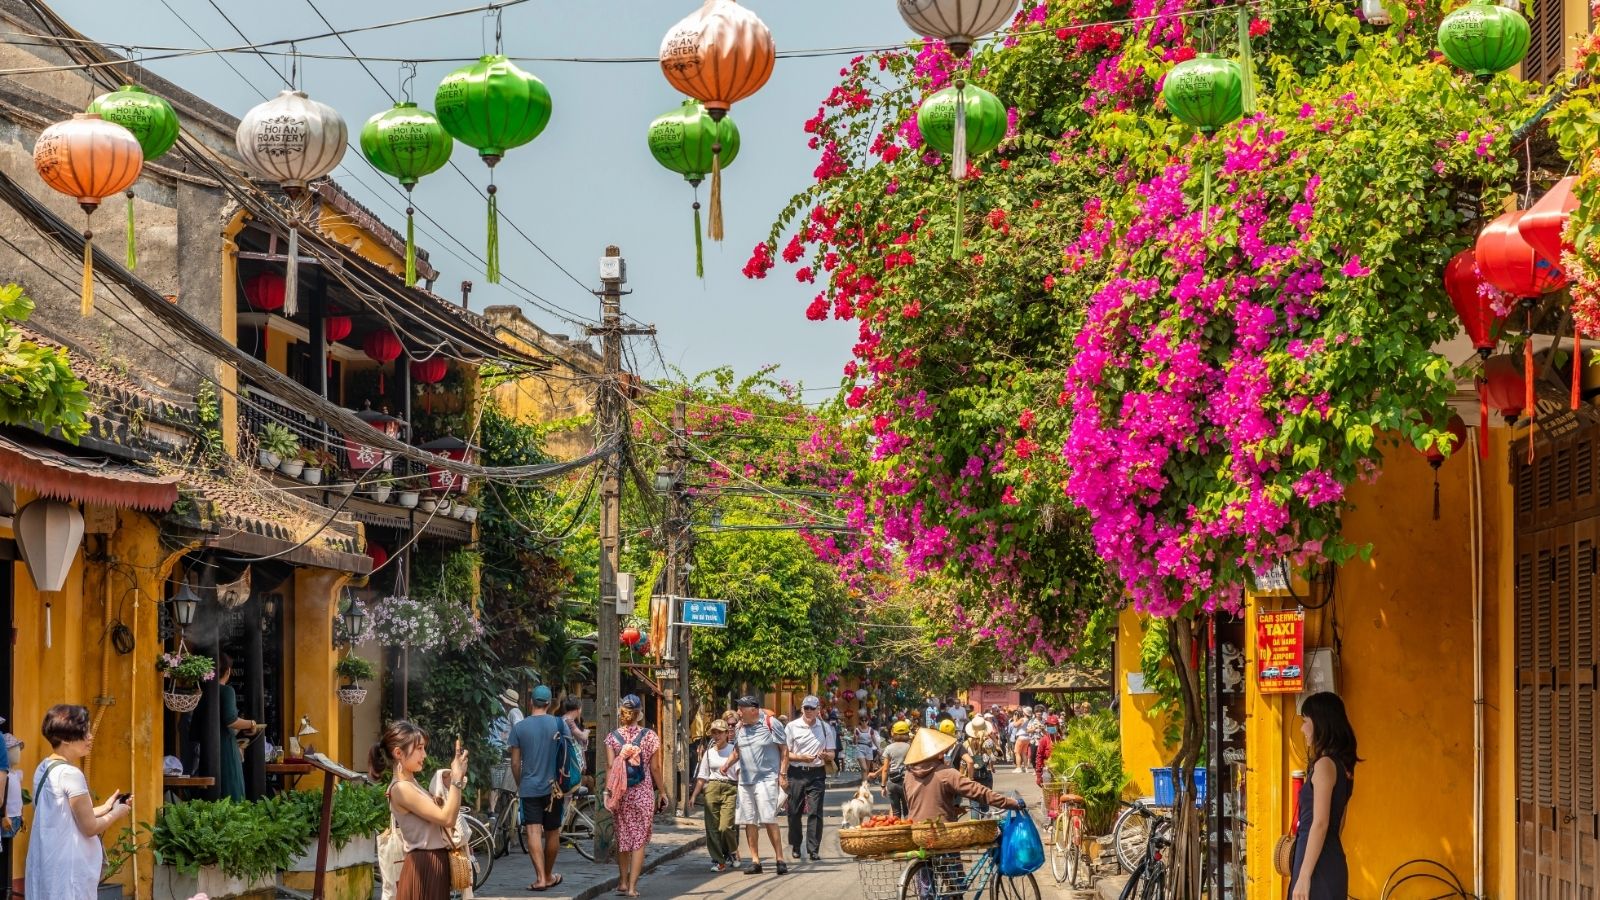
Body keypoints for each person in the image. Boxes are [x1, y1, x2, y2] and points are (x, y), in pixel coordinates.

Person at [24, 705, 132, 900]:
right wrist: (117, 813)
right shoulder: (71, 774)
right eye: (85, 732)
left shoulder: (44, 767)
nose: (90, 737)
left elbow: (66, 815)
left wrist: (107, 807)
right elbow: (89, 827)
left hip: (49, 861)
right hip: (69, 870)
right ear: (66, 739)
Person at [370, 720, 469, 900]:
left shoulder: (411, 784)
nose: (424, 754)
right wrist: (456, 779)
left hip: (432, 864)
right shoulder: (401, 789)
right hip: (424, 867)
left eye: (423, 748)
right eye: (419, 748)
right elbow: (447, 818)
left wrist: (451, 781)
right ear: (398, 753)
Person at [1289, 692, 1359, 900]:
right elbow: (1340, 823)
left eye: (1305, 721)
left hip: (1317, 863)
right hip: (1326, 857)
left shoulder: (1324, 765)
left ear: (1321, 724)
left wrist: (1303, 876)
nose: (1302, 728)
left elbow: (1320, 823)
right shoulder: (1342, 766)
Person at [509, 685, 571, 892]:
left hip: (529, 787)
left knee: (533, 832)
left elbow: (515, 763)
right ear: (548, 704)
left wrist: (521, 783)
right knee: (553, 832)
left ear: (530, 702)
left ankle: (540, 879)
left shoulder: (519, 728)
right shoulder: (559, 724)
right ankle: (548, 874)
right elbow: (568, 752)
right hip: (555, 788)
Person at [604, 694, 667, 897]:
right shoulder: (650, 736)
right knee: (638, 840)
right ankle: (632, 887)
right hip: (642, 793)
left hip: (620, 794)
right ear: (639, 714)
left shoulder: (612, 737)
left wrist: (607, 792)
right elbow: (655, 768)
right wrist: (663, 792)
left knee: (622, 836)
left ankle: (622, 882)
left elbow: (609, 767)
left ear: (622, 712)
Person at [720, 695, 788, 875]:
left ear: (753, 710)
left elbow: (784, 750)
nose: (739, 713)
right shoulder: (740, 727)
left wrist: (782, 774)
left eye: (742, 709)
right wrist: (727, 764)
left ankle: (780, 859)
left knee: (768, 819)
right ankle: (755, 861)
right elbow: (737, 751)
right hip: (746, 781)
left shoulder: (771, 724)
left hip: (766, 779)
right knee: (749, 821)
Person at [903, 727, 1022, 824]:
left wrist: (951, 809)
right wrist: (1011, 803)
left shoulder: (909, 774)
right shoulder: (945, 773)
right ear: (939, 753)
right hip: (942, 832)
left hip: (916, 830)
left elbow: (918, 803)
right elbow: (979, 792)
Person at [783, 695, 835, 862]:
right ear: (802, 709)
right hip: (796, 772)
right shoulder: (792, 727)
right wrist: (800, 758)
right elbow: (785, 754)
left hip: (817, 773)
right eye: (806, 708)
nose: (809, 711)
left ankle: (813, 849)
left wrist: (827, 755)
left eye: (812, 708)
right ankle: (796, 846)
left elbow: (833, 752)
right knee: (794, 811)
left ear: (818, 709)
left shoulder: (826, 728)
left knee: (815, 812)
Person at [687, 719, 739, 872]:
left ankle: (733, 851)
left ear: (726, 734)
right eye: (714, 733)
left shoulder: (733, 750)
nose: (716, 736)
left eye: (719, 732)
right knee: (712, 828)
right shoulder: (709, 753)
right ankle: (719, 861)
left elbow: (739, 771)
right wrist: (694, 795)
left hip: (730, 787)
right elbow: (702, 776)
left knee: (725, 827)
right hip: (712, 788)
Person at [212, 653, 260, 801]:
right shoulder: (226, 691)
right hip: (226, 748)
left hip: (207, 749)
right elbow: (231, 720)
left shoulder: (204, 693)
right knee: (232, 789)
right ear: (228, 671)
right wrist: (251, 723)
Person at [961, 718, 1000, 818]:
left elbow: (963, 763)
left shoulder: (965, 744)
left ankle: (976, 827)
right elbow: (997, 756)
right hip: (985, 774)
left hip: (971, 775)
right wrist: (995, 741)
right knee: (985, 802)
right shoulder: (988, 742)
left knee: (974, 804)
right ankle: (985, 827)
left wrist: (962, 777)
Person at [880, 720, 913, 818]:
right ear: (907, 733)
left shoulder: (889, 748)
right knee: (908, 812)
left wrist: (883, 786)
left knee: (895, 813)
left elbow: (885, 769)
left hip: (892, 783)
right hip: (906, 782)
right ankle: (908, 832)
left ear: (893, 733)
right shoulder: (910, 747)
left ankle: (898, 832)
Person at [488, 688, 525, 753]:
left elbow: (519, 730)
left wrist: (512, 748)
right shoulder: (505, 712)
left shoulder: (514, 712)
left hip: (507, 750)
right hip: (502, 748)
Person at [1033, 716, 1059, 785]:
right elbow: (1039, 757)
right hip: (1047, 771)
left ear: (1057, 726)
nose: (1051, 727)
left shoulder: (1061, 739)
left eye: (1053, 725)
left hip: (1060, 771)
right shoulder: (1044, 740)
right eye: (1049, 725)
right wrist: (1038, 775)